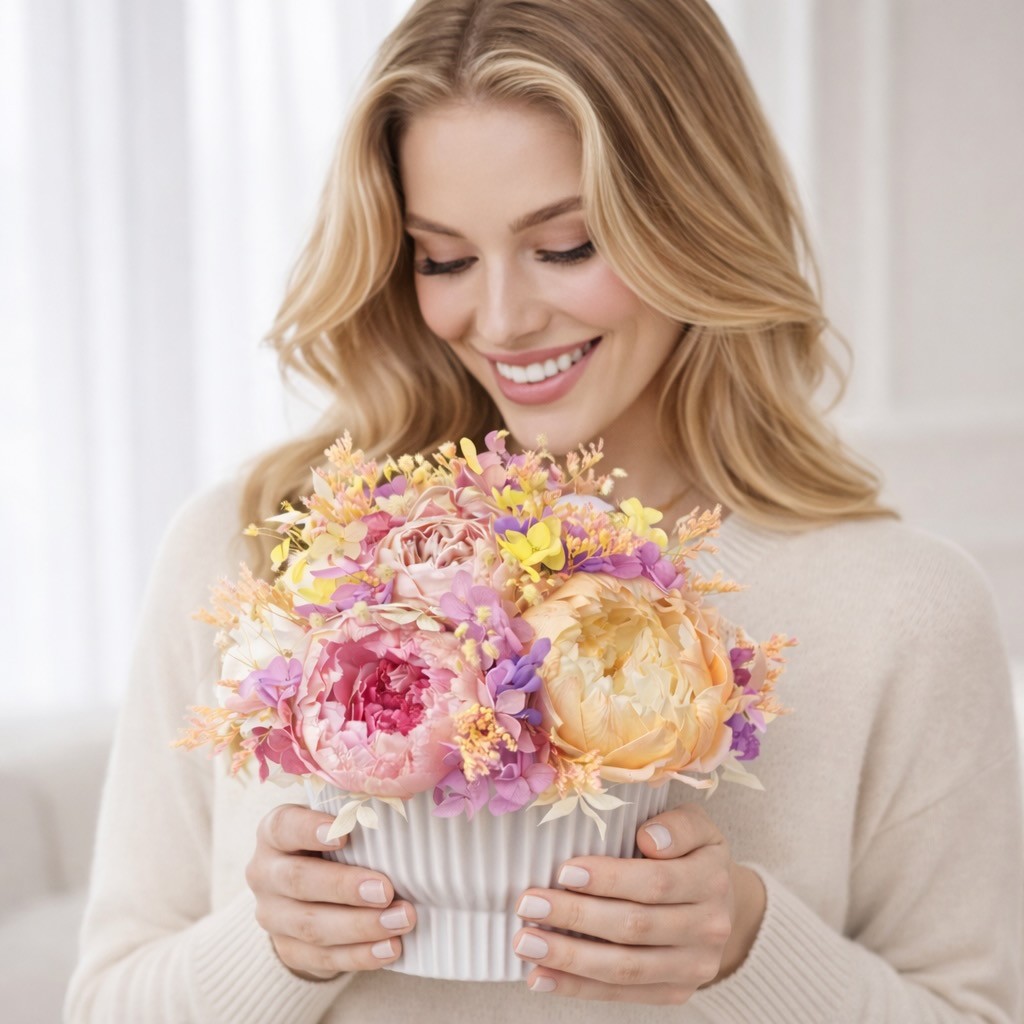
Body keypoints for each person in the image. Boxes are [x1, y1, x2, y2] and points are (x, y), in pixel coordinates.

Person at [65, 0, 1022, 1021]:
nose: (504, 319)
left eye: (564, 245)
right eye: (443, 257)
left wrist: (745, 947)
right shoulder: (255, 547)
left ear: (694, 224)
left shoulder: (896, 609)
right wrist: (275, 949)